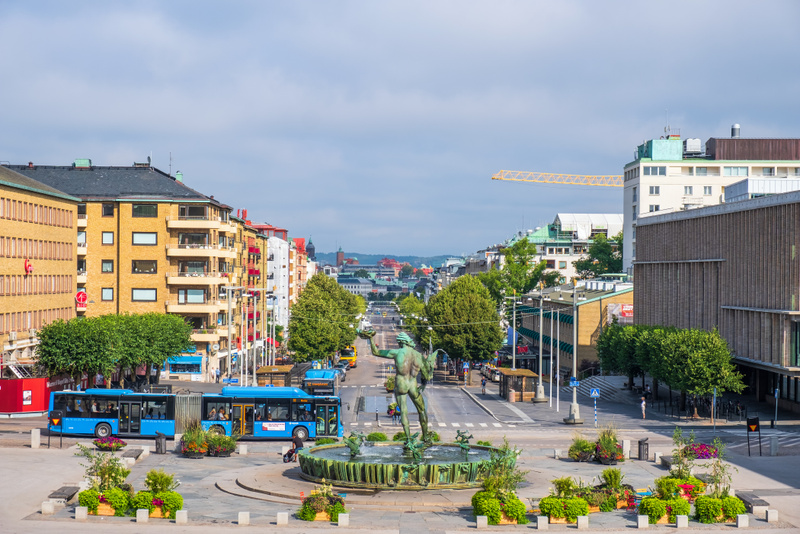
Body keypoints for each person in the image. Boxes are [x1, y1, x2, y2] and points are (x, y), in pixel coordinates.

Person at [359, 329, 443, 442]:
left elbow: (376, 352)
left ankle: (408, 440)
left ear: (401, 342)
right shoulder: (418, 355)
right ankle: (426, 437)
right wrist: (423, 384)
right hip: (413, 385)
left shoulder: (397, 352)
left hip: (401, 384)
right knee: (422, 410)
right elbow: (426, 374)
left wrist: (370, 338)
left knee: (403, 411)